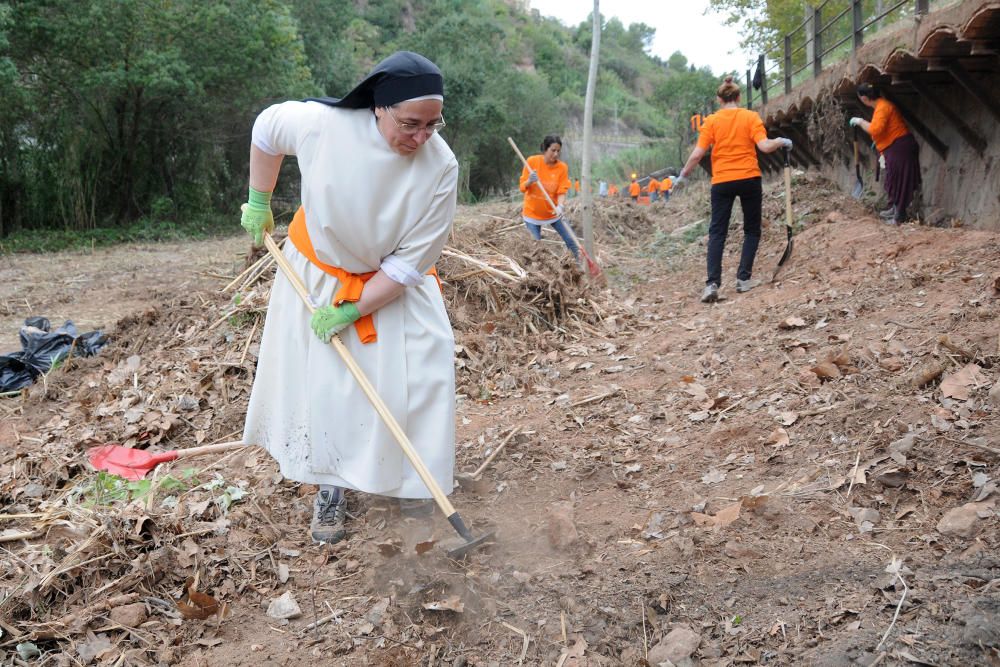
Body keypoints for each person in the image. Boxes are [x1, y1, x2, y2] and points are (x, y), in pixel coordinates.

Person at [239, 51, 459, 544]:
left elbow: (410, 263)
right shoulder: (323, 125)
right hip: (320, 270)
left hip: (391, 281)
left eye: (432, 124)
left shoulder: (441, 165)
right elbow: (265, 130)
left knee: (424, 368)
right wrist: (260, 198)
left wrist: (354, 310)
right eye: (410, 123)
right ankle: (331, 486)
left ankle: (412, 480)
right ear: (378, 108)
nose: (421, 137)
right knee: (330, 384)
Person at [675, 76, 792, 303]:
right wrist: (781, 141)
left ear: (719, 99)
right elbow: (765, 146)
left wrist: (682, 175)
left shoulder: (711, 121)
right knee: (751, 229)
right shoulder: (750, 117)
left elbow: (698, 154)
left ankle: (712, 284)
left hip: (722, 181)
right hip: (749, 178)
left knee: (717, 231)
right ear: (739, 97)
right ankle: (743, 279)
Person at [850, 84, 920, 225]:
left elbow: (875, 129)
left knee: (901, 181)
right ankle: (894, 208)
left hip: (900, 147)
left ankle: (899, 216)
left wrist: (860, 121)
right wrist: (879, 141)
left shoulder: (882, 107)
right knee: (893, 179)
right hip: (895, 146)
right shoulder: (881, 106)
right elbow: (884, 129)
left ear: (864, 98)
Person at [519, 135, 579, 259]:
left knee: (571, 240)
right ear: (545, 149)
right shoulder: (532, 162)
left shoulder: (562, 167)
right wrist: (530, 181)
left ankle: (578, 267)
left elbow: (562, 190)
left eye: (558, 151)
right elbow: (522, 187)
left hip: (554, 212)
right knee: (535, 248)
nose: (556, 154)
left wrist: (560, 206)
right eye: (553, 150)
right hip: (532, 215)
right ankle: (538, 273)